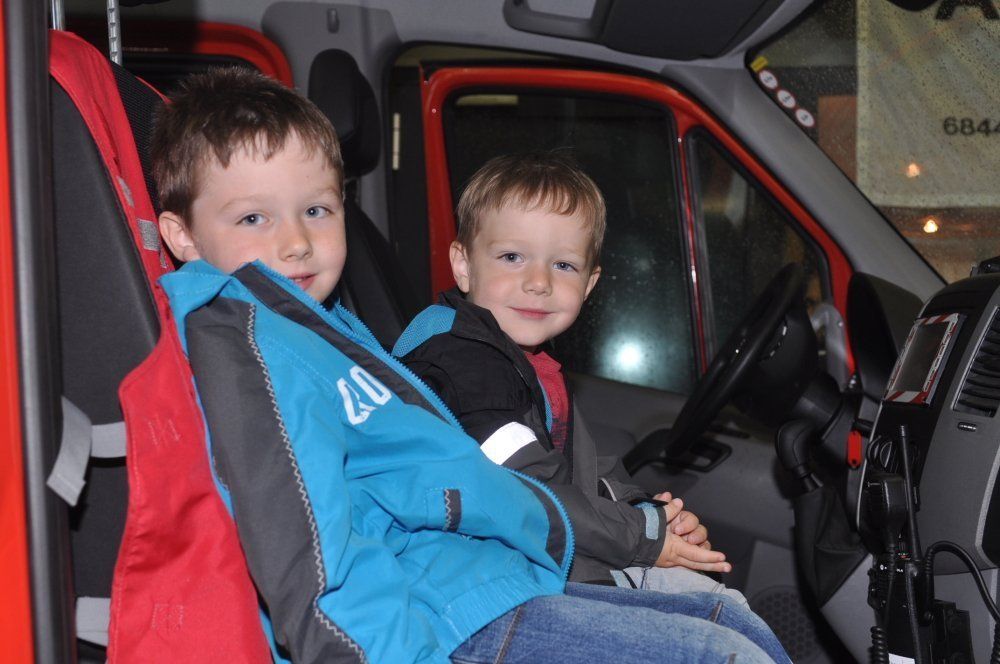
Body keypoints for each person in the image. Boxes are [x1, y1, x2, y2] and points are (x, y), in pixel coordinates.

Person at [152, 67, 788, 663]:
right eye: (254, 217)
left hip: (488, 579)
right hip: (447, 617)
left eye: (316, 211)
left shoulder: (319, 326)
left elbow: (477, 482)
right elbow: (312, 566)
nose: (296, 242)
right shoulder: (248, 349)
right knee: (722, 654)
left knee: (728, 619)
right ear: (181, 236)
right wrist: (640, 534)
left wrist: (641, 514)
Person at [395, 152, 747, 601]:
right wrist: (642, 536)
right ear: (463, 264)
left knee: (718, 601)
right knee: (715, 612)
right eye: (512, 257)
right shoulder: (464, 363)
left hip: (537, 560)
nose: (539, 282)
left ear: (589, 283)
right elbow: (530, 488)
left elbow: (580, 472)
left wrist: (651, 515)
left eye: (563, 265)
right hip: (474, 585)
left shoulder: (525, 360)